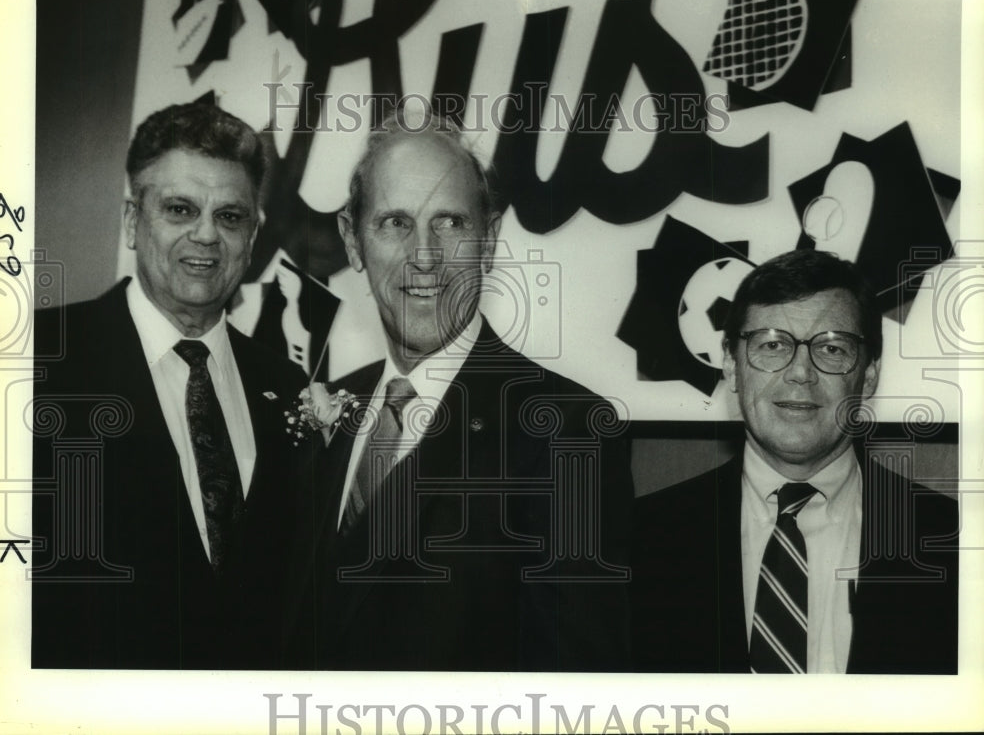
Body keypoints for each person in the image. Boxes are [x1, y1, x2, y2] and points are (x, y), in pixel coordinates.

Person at [296, 110, 633, 671]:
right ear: (353, 243)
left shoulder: (569, 432)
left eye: (449, 223)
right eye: (394, 223)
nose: (424, 256)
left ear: (490, 239)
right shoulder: (329, 408)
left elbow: (576, 687)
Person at [31, 102, 320, 669]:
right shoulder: (36, 359)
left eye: (231, 217)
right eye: (180, 209)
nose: (206, 235)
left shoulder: (286, 386)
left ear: (254, 236)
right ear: (133, 222)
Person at [630, 249, 958, 673]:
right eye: (772, 344)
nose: (801, 372)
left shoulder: (953, 542)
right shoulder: (640, 538)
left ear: (870, 375)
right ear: (731, 366)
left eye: (833, 348)